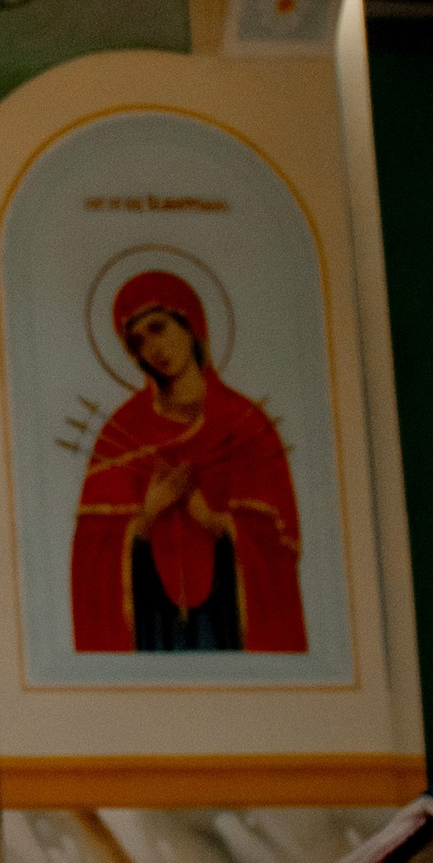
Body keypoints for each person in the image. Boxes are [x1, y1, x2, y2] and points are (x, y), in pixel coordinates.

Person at [70, 268, 305, 654]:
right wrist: (148, 514)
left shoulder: (244, 423)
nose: (152, 349)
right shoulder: (120, 433)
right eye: (137, 342)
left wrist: (210, 519)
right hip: (153, 620)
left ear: (190, 323)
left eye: (159, 328)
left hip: (227, 617)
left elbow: (279, 546)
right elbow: (91, 560)